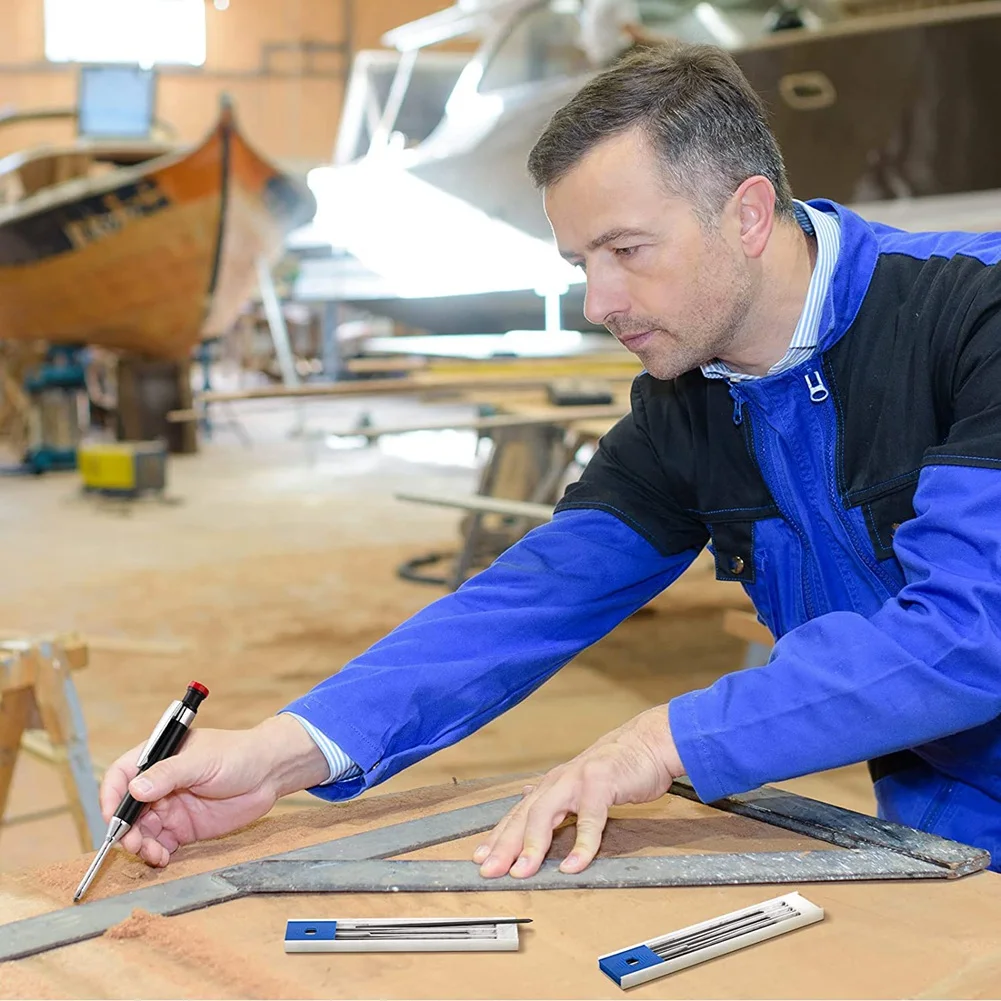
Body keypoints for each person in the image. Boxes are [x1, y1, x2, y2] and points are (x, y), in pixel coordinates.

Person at [101, 43, 1001, 876]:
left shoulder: (974, 319)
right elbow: (530, 596)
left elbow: (969, 631)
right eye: (580, 260)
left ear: (749, 213)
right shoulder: (692, 399)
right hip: (947, 837)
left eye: (626, 251)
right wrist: (280, 748)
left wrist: (662, 740)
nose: (595, 300)